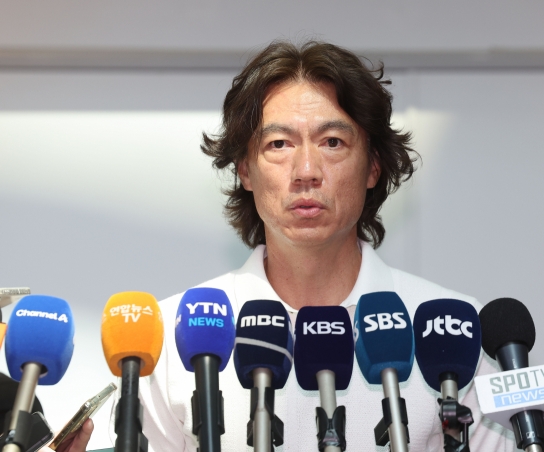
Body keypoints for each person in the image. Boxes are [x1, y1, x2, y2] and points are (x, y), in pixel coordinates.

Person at [100, 39, 516, 451]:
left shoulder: (457, 334)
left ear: (373, 166)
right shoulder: (172, 338)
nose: (306, 171)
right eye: (279, 144)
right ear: (245, 170)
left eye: (332, 142)